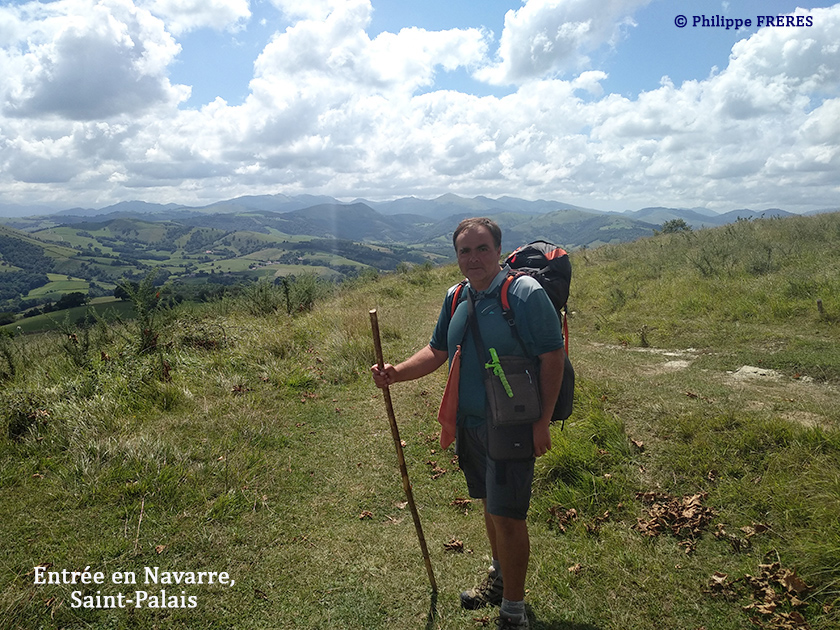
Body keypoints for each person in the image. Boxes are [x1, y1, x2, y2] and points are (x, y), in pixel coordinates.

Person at [371, 217, 565, 630]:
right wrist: (396, 372)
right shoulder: (457, 296)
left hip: (513, 422)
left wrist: (542, 422)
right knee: (490, 507)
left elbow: (552, 358)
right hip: (471, 421)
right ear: (456, 255)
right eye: (464, 251)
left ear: (499, 251)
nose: (473, 258)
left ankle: (513, 611)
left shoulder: (524, 294)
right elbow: (437, 349)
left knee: (509, 516)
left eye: (482, 249)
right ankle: (498, 580)